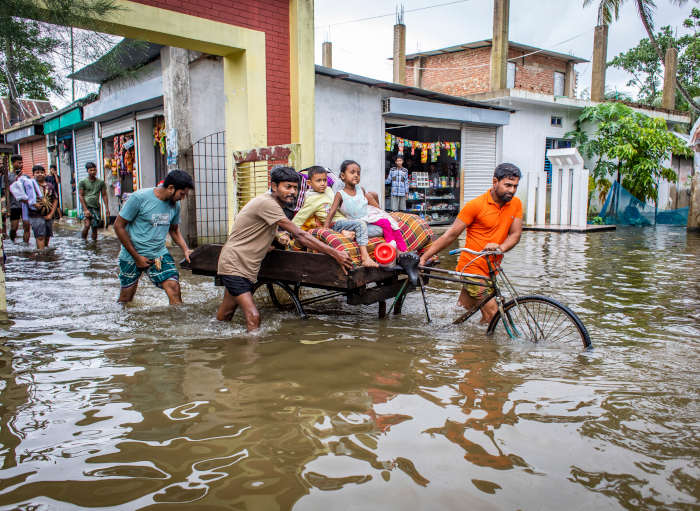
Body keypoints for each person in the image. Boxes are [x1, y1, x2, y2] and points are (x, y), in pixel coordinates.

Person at [216, 166, 352, 332]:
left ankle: (217, 345)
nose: (292, 192)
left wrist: (273, 240)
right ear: (274, 186)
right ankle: (251, 357)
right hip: (235, 265)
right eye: (287, 187)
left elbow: (261, 229)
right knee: (254, 317)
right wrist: (335, 253)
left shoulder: (271, 204)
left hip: (242, 265)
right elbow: (301, 235)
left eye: (295, 188)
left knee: (226, 315)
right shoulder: (268, 203)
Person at [419, 163, 523, 324]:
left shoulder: (515, 204)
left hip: (491, 268)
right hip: (472, 269)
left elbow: (515, 234)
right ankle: (482, 347)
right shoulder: (475, 205)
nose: (512, 190)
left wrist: (500, 248)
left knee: (462, 310)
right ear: (495, 182)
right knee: (493, 314)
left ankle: (453, 335)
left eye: (515, 186)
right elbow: (450, 235)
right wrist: (425, 257)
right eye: (507, 185)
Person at [114, 170, 194, 305]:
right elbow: (118, 226)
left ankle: (178, 323)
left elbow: (174, 230)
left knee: (174, 288)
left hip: (158, 254)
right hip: (131, 256)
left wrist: (186, 249)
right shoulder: (139, 198)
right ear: (170, 188)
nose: (182, 198)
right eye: (182, 194)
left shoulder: (175, 205)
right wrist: (137, 257)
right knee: (126, 299)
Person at [292, 166, 378, 267]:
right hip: (334, 224)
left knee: (375, 227)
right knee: (360, 224)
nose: (323, 183)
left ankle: (349, 233)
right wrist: (289, 233)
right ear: (309, 183)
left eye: (324, 180)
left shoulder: (328, 190)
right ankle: (365, 258)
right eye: (318, 181)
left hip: (346, 220)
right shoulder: (311, 199)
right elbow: (299, 218)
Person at [325, 160, 407, 256]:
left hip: (367, 217)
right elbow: (332, 211)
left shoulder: (361, 190)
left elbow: (368, 203)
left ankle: (402, 250)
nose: (356, 175)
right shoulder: (340, 194)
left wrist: (382, 213)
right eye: (352, 172)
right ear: (343, 176)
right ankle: (395, 249)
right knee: (384, 226)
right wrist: (325, 228)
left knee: (389, 223)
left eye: (358, 173)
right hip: (355, 222)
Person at [26, 165, 58, 250]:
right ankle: (41, 256)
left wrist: (51, 214)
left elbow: (55, 200)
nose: (40, 174)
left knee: (47, 236)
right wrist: (33, 204)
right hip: (35, 215)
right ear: (33, 174)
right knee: (40, 236)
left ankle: (46, 256)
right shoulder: (30, 186)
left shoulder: (50, 186)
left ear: (45, 173)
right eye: (37, 172)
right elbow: (23, 198)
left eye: (42, 172)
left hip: (48, 215)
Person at [78, 162, 110, 241]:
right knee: (87, 225)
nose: (93, 172)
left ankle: (94, 246)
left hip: (96, 207)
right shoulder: (82, 182)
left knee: (95, 228)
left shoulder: (100, 182)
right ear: (87, 171)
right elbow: (80, 196)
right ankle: (83, 242)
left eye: (94, 170)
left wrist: (107, 209)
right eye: (91, 170)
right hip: (87, 206)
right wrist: (85, 209)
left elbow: (104, 195)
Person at [8, 155, 30, 243]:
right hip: (14, 205)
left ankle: (26, 245)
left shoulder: (26, 177)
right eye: (19, 163)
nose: (21, 165)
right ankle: (12, 242)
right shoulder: (7, 177)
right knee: (14, 227)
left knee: (27, 226)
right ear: (13, 163)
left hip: (25, 205)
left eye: (22, 163)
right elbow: (5, 192)